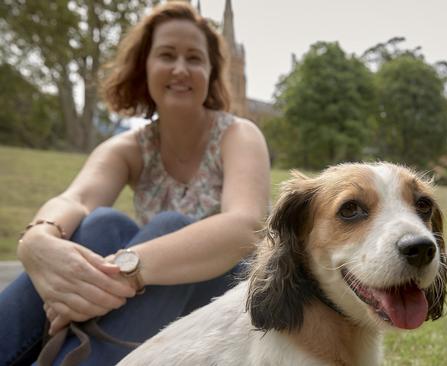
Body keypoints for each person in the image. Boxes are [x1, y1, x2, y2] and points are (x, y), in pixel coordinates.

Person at [0, 2, 270, 365]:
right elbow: (76, 199)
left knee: (168, 226)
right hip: (146, 301)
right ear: (145, 67)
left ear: (211, 72)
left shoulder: (238, 135)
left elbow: (244, 226)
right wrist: (37, 240)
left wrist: (120, 271)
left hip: (225, 303)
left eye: (194, 58)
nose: (180, 68)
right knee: (101, 224)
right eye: (166, 55)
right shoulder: (131, 147)